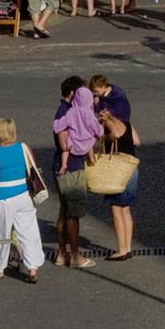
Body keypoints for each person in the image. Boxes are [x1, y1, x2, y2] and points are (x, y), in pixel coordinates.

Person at [52, 76, 103, 268]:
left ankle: (61, 253)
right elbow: (64, 141)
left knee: (64, 211)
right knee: (73, 214)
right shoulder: (68, 112)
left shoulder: (65, 111)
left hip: (60, 166)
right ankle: (74, 256)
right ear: (74, 93)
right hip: (72, 168)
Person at [0, 118, 42, 282]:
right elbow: (31, 169)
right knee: (29, 232)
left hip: (4, 199)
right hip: (24, 195)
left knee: (2, 233)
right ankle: (32, 268)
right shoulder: (24, 148)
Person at [90, 73, 138, 261]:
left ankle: (121, 250)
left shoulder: (111, 122)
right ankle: (128, 247)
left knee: (116, 209)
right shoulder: (128, 122)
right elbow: (137, 140)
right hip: (131, 167)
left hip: (118, 170)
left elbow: (115, 134)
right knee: (125, 208)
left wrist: (104, 137)